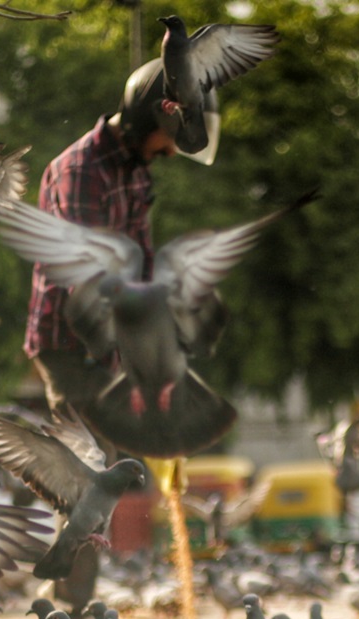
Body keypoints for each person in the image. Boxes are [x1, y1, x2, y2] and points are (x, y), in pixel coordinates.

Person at [23, 57, 219, 420]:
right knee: (94, 459)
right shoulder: (80, 171)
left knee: (126, 453)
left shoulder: (137, 172)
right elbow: (87, 279)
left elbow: (142, 261)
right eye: (172, 138)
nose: (173, 150)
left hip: (113, 339)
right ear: (147, 119)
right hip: (69, 343)